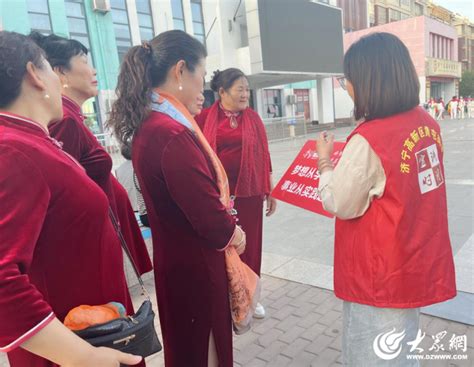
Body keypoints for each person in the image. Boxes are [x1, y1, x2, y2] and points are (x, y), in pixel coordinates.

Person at [0, 31, 142, 367]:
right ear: (35, 74)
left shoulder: (30, 139)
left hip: (91, 323)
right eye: (50, 66)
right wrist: (83, 356)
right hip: (74, 339)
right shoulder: (14, 150)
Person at [107, 30, 247, 367]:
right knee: (203, 351)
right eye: (201, 74)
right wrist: (235, 233)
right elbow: (208, 216)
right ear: (180, 70)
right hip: (196, 267)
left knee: (188, 347)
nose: (204, 87)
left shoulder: (154, 125)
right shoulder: (170, 133)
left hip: (178, 261)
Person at [316, 33, 456, 366]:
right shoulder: (427, 124)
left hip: (379, 273)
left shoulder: (370, 138)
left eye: (348, 79)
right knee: (404, 349)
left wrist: (324, 162)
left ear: (369, 80)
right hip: (414, 259)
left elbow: (339, 201)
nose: (346, 86)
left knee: (374, 354)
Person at [29, 32, 152, 275]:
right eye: (84, 62)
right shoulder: (65, 122)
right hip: (87, 248)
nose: (93, 71)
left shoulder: (71, 117)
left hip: (98, 237)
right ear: (59, 72)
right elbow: (63, 198)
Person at [195, 68, 276, 319]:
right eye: (239, 89)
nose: (245, 94)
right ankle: (228, 295)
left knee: (250, 245)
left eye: (246, 89)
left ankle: (251, 297)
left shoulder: (253, 118)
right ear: (221, 92)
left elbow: (264, 155)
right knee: (224, 244)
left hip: (249, 194)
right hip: (216, 194)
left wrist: (269, 189)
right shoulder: (203, 118)